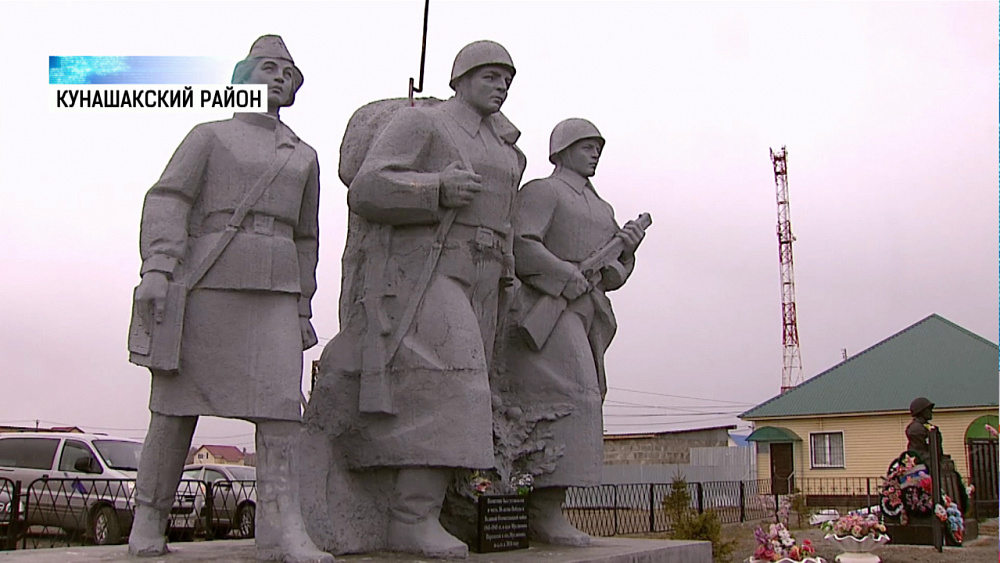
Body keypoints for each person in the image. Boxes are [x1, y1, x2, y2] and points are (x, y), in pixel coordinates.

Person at [127, 36, 333, 563]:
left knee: (283, 414)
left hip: (276, 289)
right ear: (243, 77)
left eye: (290, 71)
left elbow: (307, 237)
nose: (281, 77)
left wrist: (304, 303)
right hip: (209, 280)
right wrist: (158, 266)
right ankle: (149, 519)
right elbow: (170, 198)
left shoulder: (303, 154)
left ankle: (282, 529)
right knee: (175, 408)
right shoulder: (210, 136)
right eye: (269, 68)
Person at [317, 40, 525, 558]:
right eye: (490, 75)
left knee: (469, 385)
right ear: (460, 78)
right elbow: (366, 188)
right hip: (430, 269)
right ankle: (410, 515)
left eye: (507, 79)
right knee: (453, 381)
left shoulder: (504, 148)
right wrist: (434, 188)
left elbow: (507, 217)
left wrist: (510, 272)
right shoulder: (425, 124)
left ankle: (432, 505)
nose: (500, 85)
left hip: (489, 272)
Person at [504, 118, 645, 545]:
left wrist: (627, 253)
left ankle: (550, 505)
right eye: (586, 145)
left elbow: (612, 275)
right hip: (549, 308)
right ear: (562, 150)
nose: (595, 153)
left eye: (598, 146)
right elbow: (522, 244)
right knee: (574, 393)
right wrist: (564, 274)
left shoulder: (601, 209)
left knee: (589, 393)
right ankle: (542, 511)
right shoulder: (543, 192)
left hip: (588, 310)